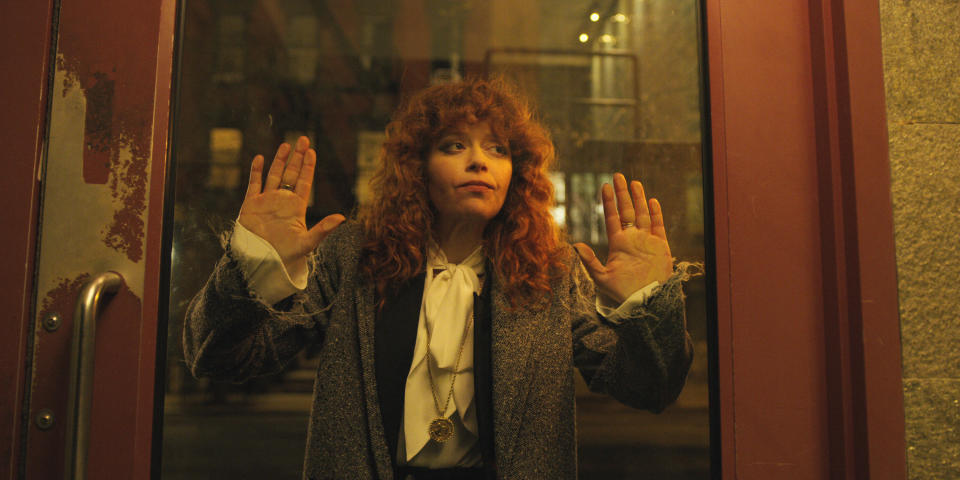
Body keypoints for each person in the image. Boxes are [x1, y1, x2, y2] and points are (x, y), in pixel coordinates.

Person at [184, 78, 694, 480]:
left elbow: (648, 387)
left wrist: (648, 307)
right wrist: (253, 267)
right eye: (454, 145)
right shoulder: (355, 255)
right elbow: (221, 357)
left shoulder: (550, 269)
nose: (478, 160)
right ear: (417, 167)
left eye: (496, 149)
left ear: (516, 172)